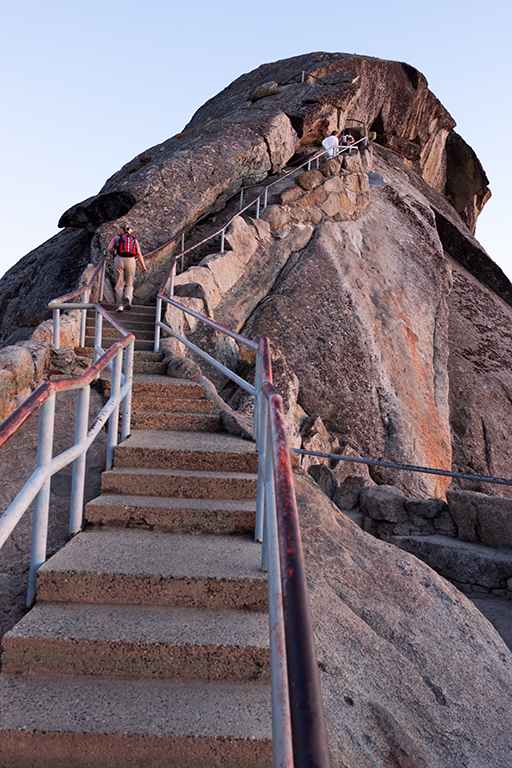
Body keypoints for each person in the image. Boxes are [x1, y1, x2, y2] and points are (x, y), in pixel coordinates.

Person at [107, 223, 147, 311]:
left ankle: (120, 305)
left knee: (119, 284)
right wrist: (143, 266)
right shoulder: (133, 239)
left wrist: (114, 254)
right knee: (129, 283)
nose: (118, 230)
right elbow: (139, 254)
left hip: (119, 260)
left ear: (121, 230)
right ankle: (128, 297)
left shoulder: (117, 238)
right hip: (131, 261)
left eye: (119, 229)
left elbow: (109, 248)